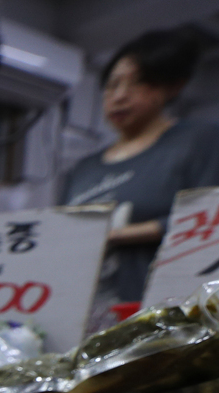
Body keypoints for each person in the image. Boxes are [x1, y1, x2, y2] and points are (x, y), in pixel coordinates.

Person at [62, 27, 219, 312]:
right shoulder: (83, 169)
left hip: (165, 314)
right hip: (86, 312)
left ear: (173, 86)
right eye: (112, 85)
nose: (119, 96)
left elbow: (209, 221)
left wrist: (115, 234)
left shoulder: (200, 142)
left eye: (138, 83)